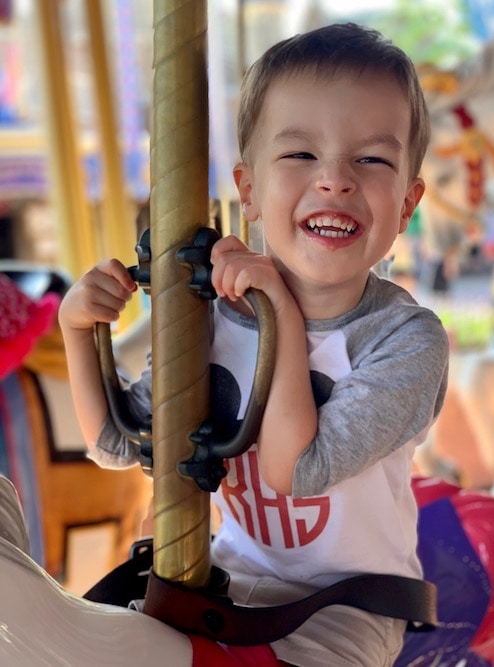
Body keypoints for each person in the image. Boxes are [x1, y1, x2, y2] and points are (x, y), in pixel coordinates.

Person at [59, 22, 449, 667]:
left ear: (406, 204)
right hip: (230, 579)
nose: (335, 180)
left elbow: (294, 472)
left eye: (372, 159)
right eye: (300, 155)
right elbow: (118, 444)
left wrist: (277, 314)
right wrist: (80, 333)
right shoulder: (208, 317)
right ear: (248, 190)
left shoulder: (406, 342)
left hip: (348, 607)